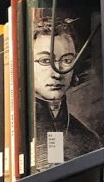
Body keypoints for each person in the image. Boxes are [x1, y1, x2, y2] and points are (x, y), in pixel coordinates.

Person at [31, 15, 100, 167]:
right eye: (45, 61)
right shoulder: (13, 134)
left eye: (67, 60)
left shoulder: (88, 139)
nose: (57, 73)